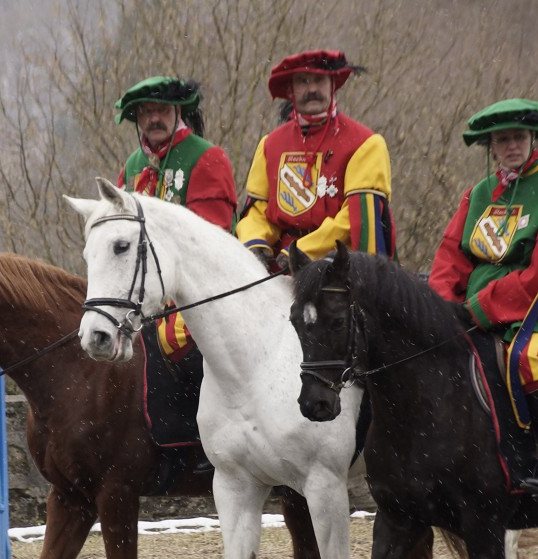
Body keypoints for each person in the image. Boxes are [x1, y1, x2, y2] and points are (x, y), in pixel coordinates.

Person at [428, 98, 538, 500]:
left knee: (530, 359)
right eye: (503, 140)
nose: (511, 146)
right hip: (474, 309)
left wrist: (481, 307)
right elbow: (450, 255)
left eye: (519, 137)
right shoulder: (480, 194)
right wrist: (440, 307)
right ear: (491, 146)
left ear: (532, 138)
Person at [115, 76, 237, 363]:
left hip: (200, 295)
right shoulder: (132, 167)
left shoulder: (207, 158)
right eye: (147, 111)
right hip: (143, 298)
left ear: (178, 111)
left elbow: (210, 244)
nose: (154, 118)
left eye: (163, 110)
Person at [235, 50, 395, 268]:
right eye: (302, 82)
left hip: (337, 271)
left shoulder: (366, 144)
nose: (311, 89)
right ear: (290, 90)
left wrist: (303, 250)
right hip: (277, 269)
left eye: (319, 80)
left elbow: (357, 222)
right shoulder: (269, 145)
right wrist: (254, 242)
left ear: (333, 84)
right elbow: (258, 211)